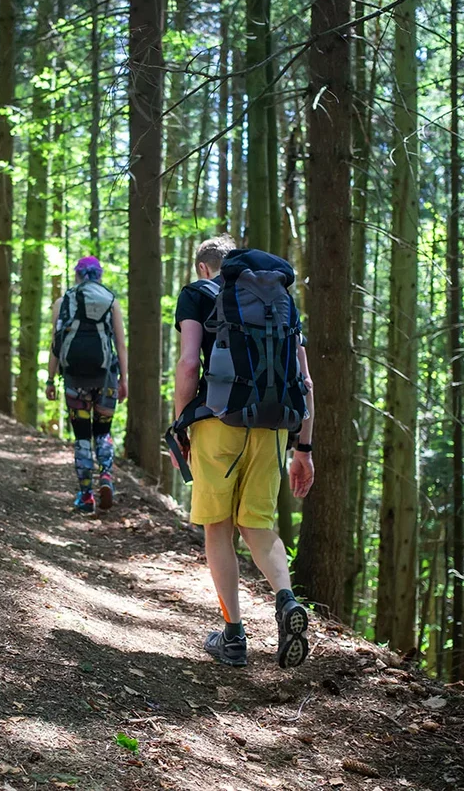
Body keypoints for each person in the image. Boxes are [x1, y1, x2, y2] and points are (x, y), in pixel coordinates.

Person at [170, 236, 316, 668]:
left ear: (203, 267)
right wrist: (304, 448)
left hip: (217, 422)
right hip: (272, 427)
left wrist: (181, 425)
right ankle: (286, 601)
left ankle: (233, 636)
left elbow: (189, 364)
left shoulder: (197, 294)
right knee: (258, 523)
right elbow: (305, 382)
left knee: (218, 527)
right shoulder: (279, 300)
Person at [45, 257, 128, 514]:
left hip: (74, 379)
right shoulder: (111, 301)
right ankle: (106, 476)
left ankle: (86, 496)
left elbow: (56, 345)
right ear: (99, 275)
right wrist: (124, 379)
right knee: (103, 432)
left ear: (77, 275)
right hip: (106, 378)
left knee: (82, 436)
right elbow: (120, 345)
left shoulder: (63, 302)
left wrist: (50, 379)